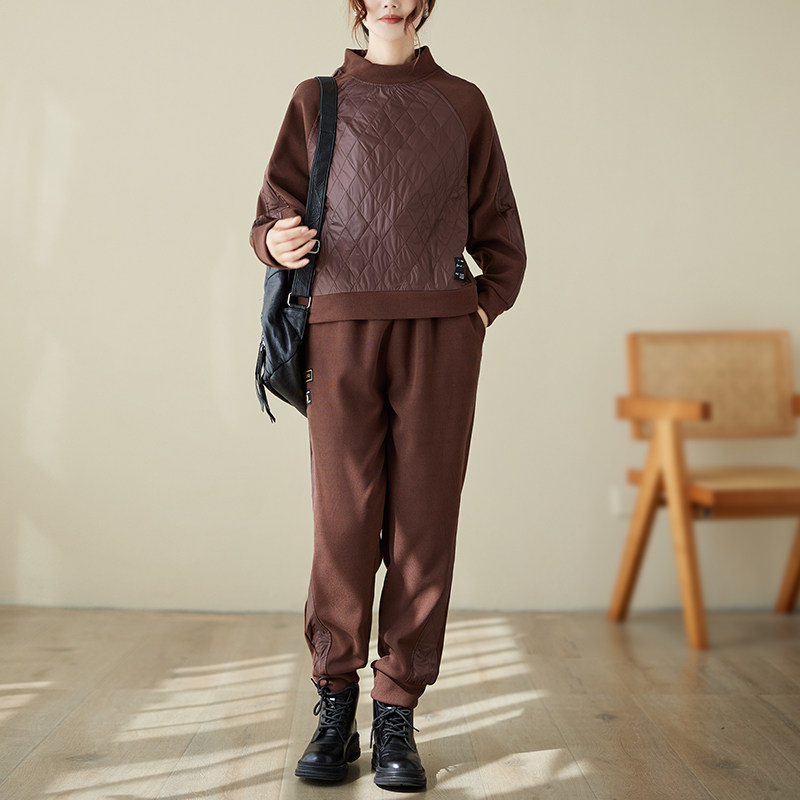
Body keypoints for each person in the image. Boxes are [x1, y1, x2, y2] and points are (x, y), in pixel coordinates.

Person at [249, 0, 526, 790]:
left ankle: (397, 709)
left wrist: (478, 310)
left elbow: (501, 232)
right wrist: (274, 241)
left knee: (424, 527)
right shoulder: (316, 99)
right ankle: (336, 708)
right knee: (343, 523)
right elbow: (270, 214)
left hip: (440, 338)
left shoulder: (463, 102)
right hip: (338, 331)